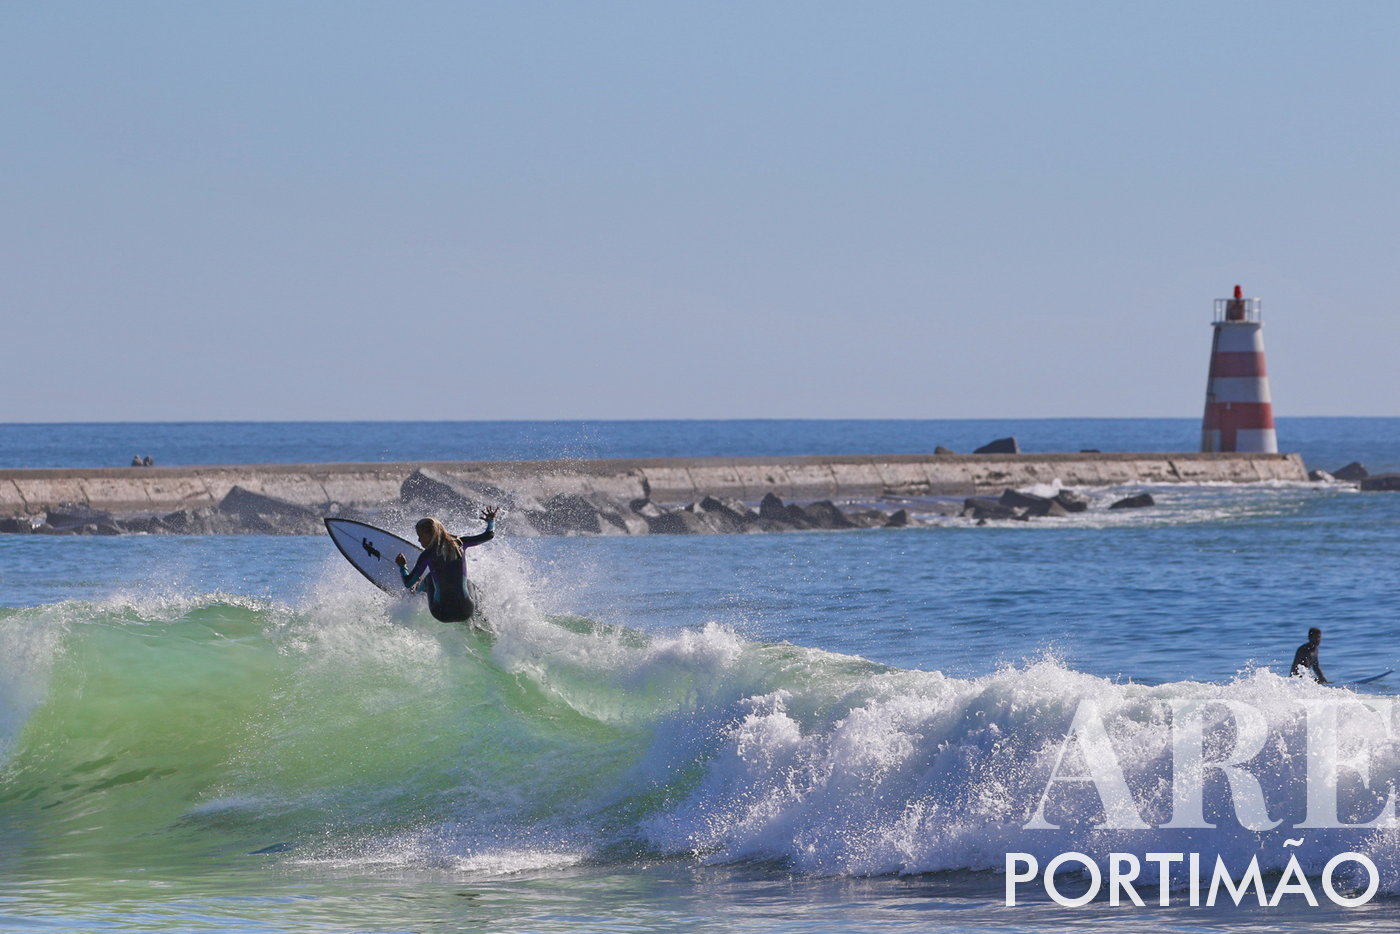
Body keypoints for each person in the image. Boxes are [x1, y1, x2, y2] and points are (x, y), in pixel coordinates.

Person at [394, 508, 497, 622]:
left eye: (420, 536)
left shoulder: (427, 554)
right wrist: (491, 521)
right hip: (466, 611)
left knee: (429, 578)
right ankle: (482, 619)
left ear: (431, 534)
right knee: (468, 583)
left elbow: (408, 582)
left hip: (441, 613)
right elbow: (489, 535)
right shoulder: (460, 544)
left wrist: (402, 566)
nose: (418, 539)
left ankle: (415, 592)